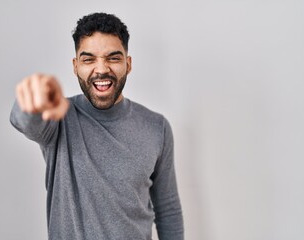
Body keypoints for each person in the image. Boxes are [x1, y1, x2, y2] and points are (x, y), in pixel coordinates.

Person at [10, 12, 184, 240]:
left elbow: (168, 209)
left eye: (113, 58)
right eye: (88, 59)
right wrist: (32, 101)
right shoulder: (59, 119)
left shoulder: (157, 127)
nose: (101, 70)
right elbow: (23, 121)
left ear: (128, 64)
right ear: (75, 66)